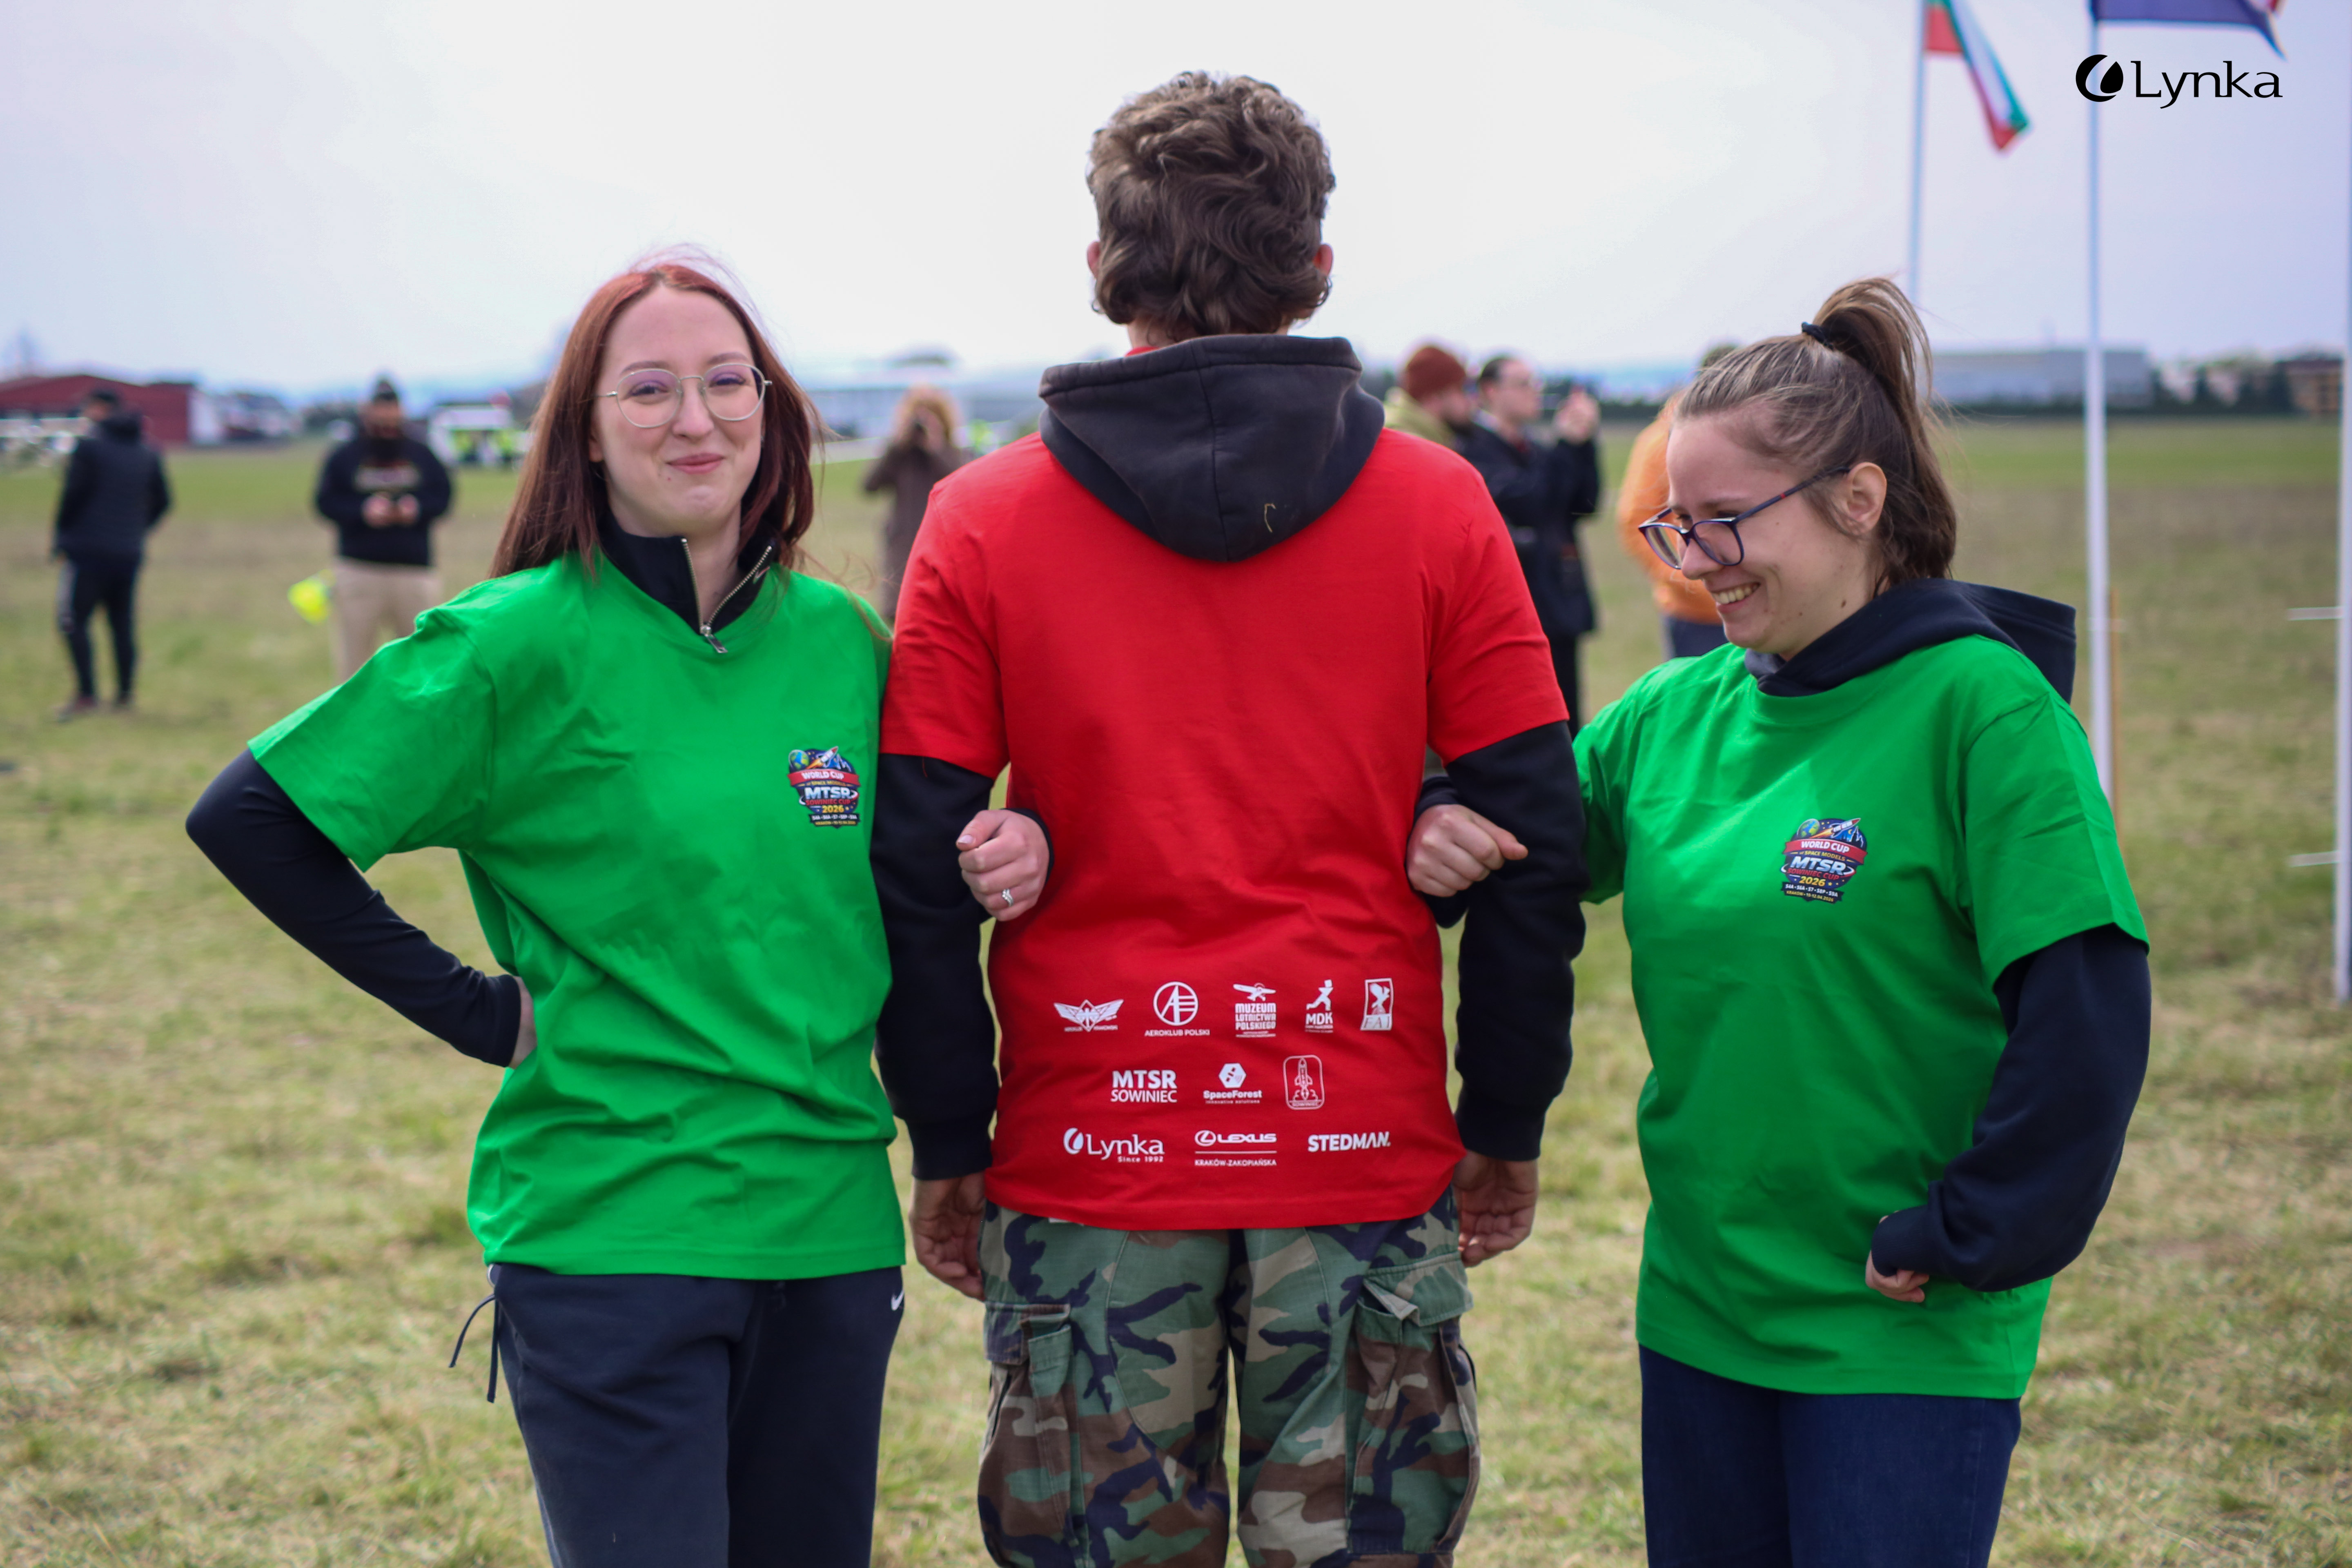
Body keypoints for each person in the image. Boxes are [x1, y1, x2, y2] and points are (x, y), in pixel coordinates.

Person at [185, 256, 1049, 1568]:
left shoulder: (846, 644)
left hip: (825, 1233)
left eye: (724, 383)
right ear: (585, 431)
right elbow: (251, 817)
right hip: (613, 1232)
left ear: (775, 411)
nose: (693, 420)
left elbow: (929, 871)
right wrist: (474, 1011)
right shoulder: (510, 642)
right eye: (647, 389)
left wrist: (1015, 842)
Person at [874, 72, 1586, 1568]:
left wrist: (950, 1136)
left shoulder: (981, 520)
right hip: (1359, 1143)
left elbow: (916, 858)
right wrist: (1502, 1121)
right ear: (1316, 268)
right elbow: (1537, 835)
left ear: (1098, 271)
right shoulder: (1441, 505)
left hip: (1088, 1157)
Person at [1411, 279, 2149, 1568]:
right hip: (1701, 1305)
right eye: (1675, 526)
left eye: (1727, 522)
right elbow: (1520, 844)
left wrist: (1971, 1227)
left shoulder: (1984, 711)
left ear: (1859, 501)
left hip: (1900, 1311)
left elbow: (2086, 1006)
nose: (1694, 561)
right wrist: (1431, 812)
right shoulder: (1675, 712)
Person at [1456, 356, 1601, 728]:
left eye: (1535, 383)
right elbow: (1531, 502)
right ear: (1490, 391)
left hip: (1557, 599)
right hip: (1517, 606)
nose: (1534, 392)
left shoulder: (1535, 450)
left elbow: (1583, 504)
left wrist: (1583, 445)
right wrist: (1566, 447)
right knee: (1532, 718)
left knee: (1568, 712)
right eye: (1522, 384)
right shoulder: (1473, 449)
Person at [313, 378, 454, 679]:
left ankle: (416, 725)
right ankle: (355, 725)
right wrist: (364, 511)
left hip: (413, 570)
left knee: (419, 662)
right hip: (359, 569)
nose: (387, 415)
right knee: (355, 666)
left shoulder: (421, 453)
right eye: (380, 407)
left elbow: (443, 496)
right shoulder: (346, 455)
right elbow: (325, 502)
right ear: (368, 410)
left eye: (392, 407)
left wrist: (414, 508)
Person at [51, 388, 170, 718]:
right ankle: (125, 695)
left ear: (101, 409)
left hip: (87, 551)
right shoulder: (147, 451)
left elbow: (72, 497)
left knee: (75, 621)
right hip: (128, 551)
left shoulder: (89, 449)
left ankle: (87, 695)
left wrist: (63, 536)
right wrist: (136, 529)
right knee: (122, 623)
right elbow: (163, 501)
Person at [1616, 347, 1739, 662]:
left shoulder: (1752, 441)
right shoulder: (1659, 441)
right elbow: (1635, 521)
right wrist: (1684, 579)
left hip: (1756, 603)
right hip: (1692, 616)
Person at [861, 383, 968, 619]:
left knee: (941, 611)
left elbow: (964, 482)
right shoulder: (900, 456)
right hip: (903, 540)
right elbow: (869, 485)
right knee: (898, 610)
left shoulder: (953, 453)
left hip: (944, 541)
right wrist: (897, 445)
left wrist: (937, 446)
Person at [1381, 341, 1474, 450]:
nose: (1470, 399)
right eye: (1461, 389)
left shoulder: (1426, 436)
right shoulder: (1408, 444)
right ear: (1433, 397)